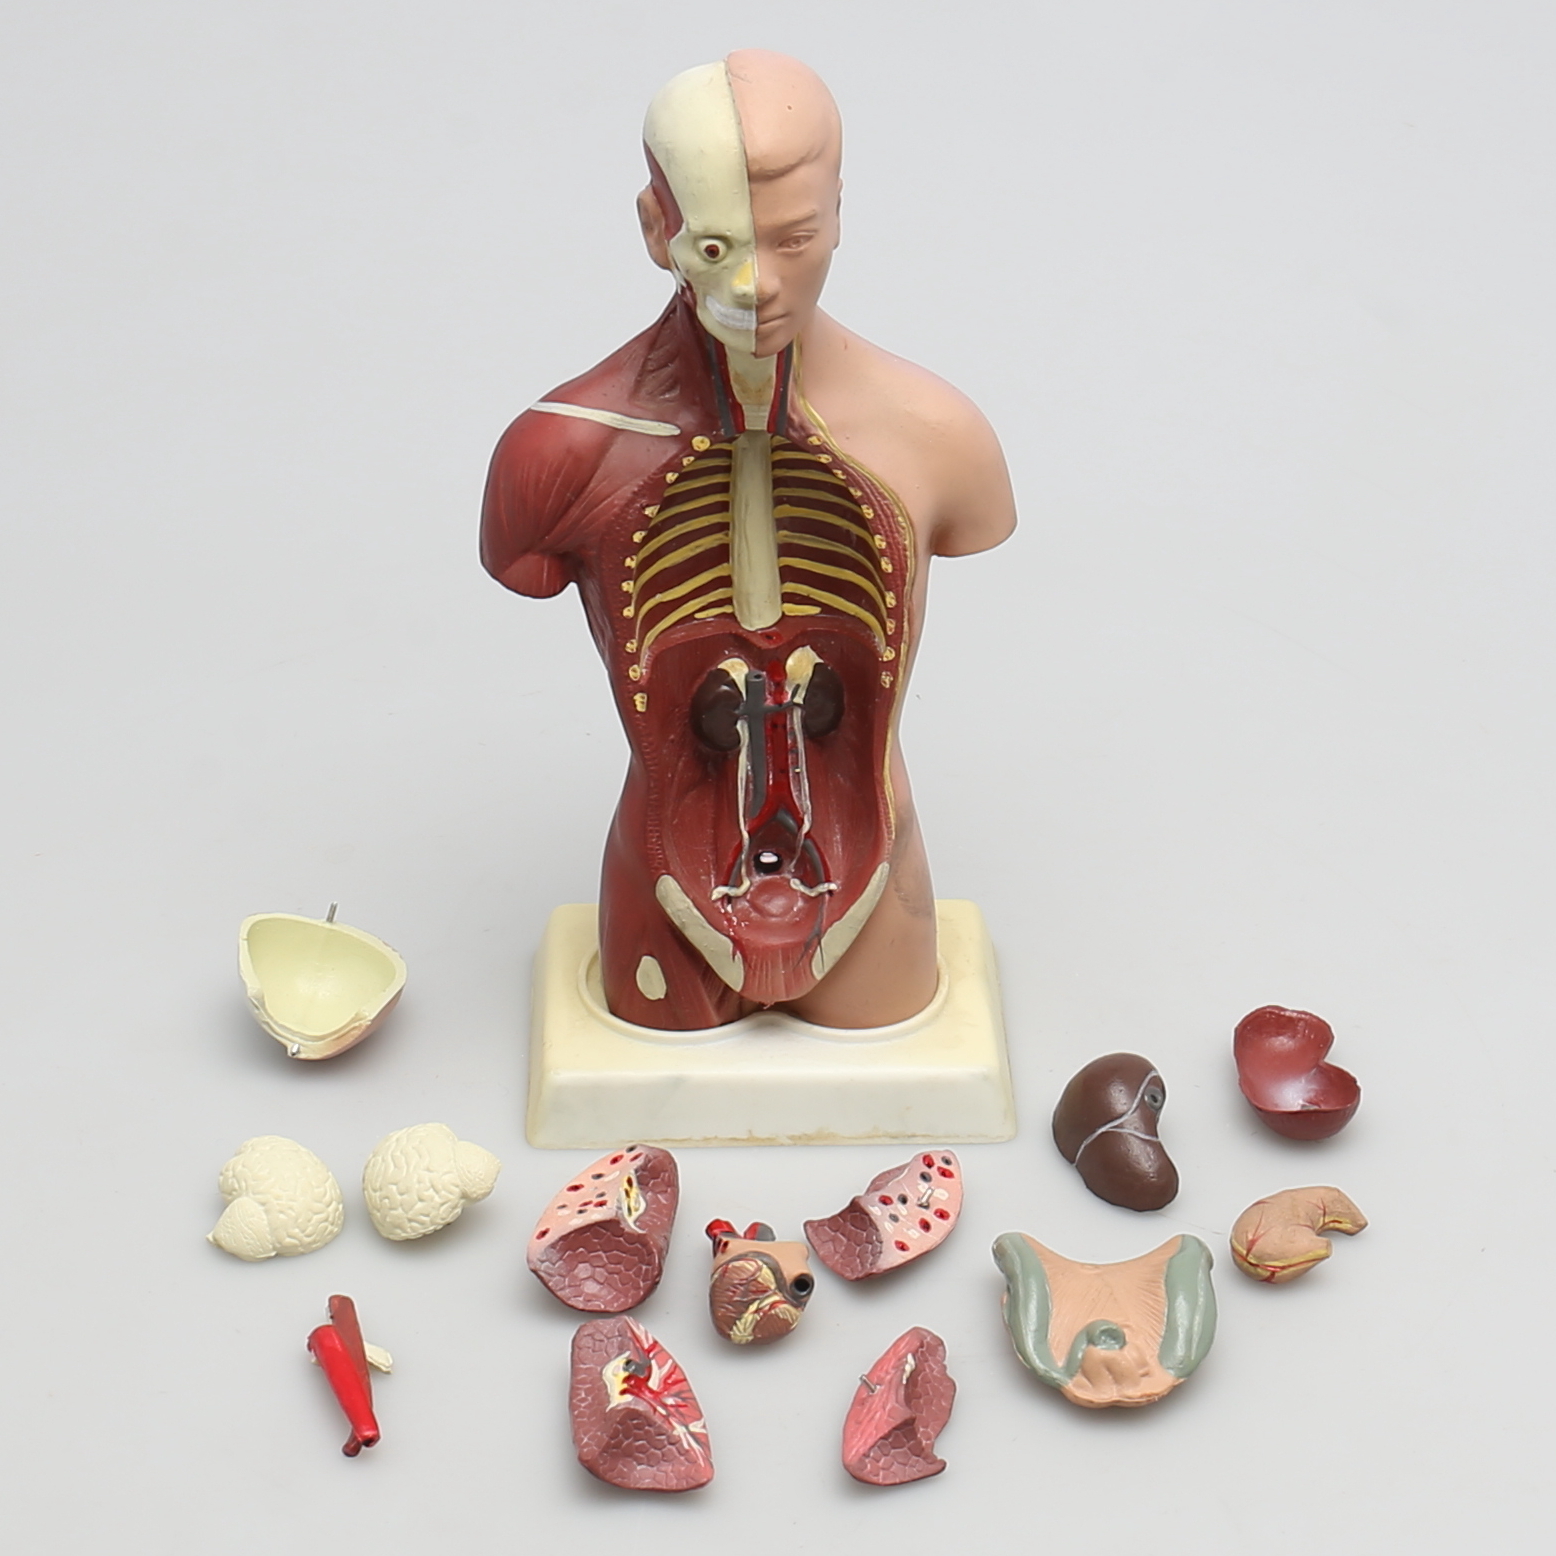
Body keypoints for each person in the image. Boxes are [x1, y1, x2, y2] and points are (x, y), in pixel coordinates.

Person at [482, 51, 1015, 1031]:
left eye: (794, 238)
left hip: (876, 869)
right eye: (718, 247)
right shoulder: (556, 452)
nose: (758, 285)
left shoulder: (941, 435)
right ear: (657, 229)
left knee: (884, 1023)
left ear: (840, 214)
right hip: (662, 872)